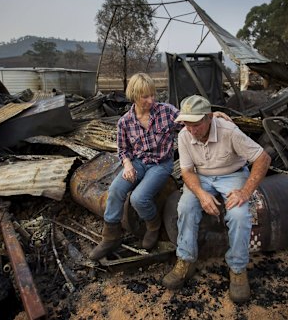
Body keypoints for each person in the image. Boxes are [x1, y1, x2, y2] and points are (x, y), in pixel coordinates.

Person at [89, 73, 233, 261]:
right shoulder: (125, 122)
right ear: (134, 95)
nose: (151, 100)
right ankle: (111, 237)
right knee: (115, 190)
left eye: (153, 95)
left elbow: (190, 120)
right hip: (138, 163)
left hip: (161, 164)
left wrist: (211, 116)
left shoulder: (166, 111)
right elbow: (123, 149)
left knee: (139, 198)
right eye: (145, 96)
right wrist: (127, 164)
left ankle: (153, 225)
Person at [162, 95, 272, 303]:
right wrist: (202, 195)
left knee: (240, 214)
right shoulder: (184, 134)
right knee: (186, 206)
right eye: (187, 123)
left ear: (209, 117)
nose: (192, 130)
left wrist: (245, 192)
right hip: (201, 177)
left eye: (196, 124)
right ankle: (185, 259)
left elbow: (263, 158)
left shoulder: (229, 131)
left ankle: (238, 269)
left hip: (232, 175)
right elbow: (186, 171)